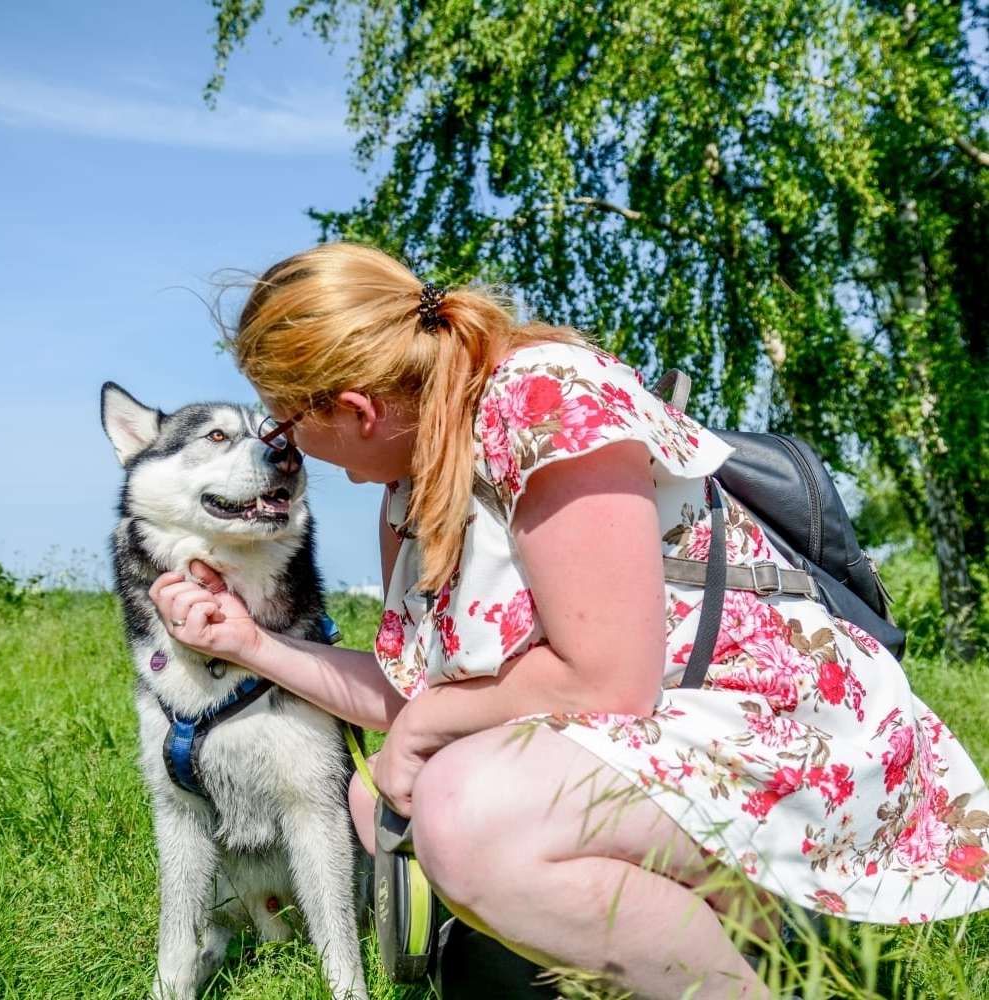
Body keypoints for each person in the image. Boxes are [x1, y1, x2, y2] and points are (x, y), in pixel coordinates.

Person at [149, 242, 989, 1000]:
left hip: (773, 736)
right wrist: (249, 642)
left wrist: (426, 730)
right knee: (389, 803)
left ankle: (753, 965)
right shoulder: (414, 479)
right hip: (658, 741)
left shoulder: (541, 397)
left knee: (465, 814)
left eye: (289, 425)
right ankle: (670, 951)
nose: (294, 452)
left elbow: (607, 678)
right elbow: (422, 690)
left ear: (354, 408)